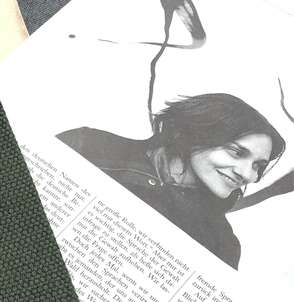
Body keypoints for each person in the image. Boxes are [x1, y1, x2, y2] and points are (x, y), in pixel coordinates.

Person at [57, 93, 286, 269]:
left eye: (258, 166)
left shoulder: (221, 244)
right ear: (194, 134)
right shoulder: (87, 146)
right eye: (236, 152)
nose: (248, 175)